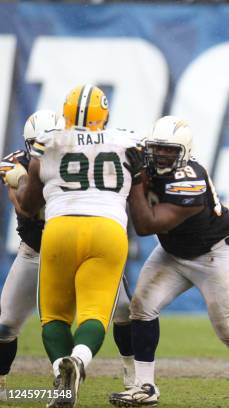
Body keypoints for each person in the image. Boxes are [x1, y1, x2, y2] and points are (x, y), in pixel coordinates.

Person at [108, 116, 229, 408]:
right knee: (141, 308)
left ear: (185, 152)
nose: (161, 155)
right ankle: (145, 386)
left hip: (215, 253)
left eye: (170, 150)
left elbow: (145, 225)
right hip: (173, 252)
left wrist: (137, 179)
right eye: (157, 148)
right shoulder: (145, 162)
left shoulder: (190, 180)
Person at [10, 85, 141, 408]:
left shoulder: (49, 142)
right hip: (108, 229)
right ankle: (79, 361)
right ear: (105, 115)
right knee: (94, 313)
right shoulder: (127, 141)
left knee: (54, 315)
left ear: (65, 114)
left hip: (60, 229)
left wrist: (18, 183)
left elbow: (28, 206)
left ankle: (61, 374)